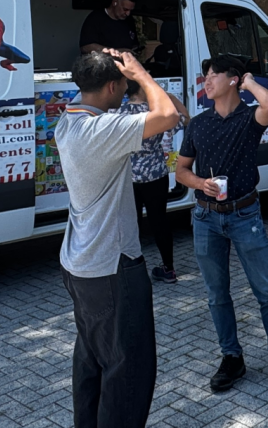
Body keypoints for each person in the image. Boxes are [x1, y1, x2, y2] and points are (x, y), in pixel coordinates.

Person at [57, 49, 179, 428]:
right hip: (113, 267)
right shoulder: (101, 131)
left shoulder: (70, 119)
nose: (127, 90)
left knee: (93, 361)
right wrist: (142, 72)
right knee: (128, 371)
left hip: (80, 264)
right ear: (111, 86)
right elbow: (170, 114)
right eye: (123, 85)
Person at [174, 54, 268, 392]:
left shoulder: (250, 119)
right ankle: (231, 357)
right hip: (205, 216)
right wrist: (199, 183)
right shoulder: (198, 124)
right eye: (205, 74)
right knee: (217, 294)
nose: (206, 80)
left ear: (232, 80)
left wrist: (248, 80)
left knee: (266, 291)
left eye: (213, 74)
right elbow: (181, 170)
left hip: (245, 214)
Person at [117, 79, 188, 284]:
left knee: (131, 222)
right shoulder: (157, 112)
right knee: (160, 221)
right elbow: (185, 120)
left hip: (127, 173)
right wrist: (172, 98)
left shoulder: (117, 111)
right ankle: (169, 268)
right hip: (156, 173)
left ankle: (131, 272)